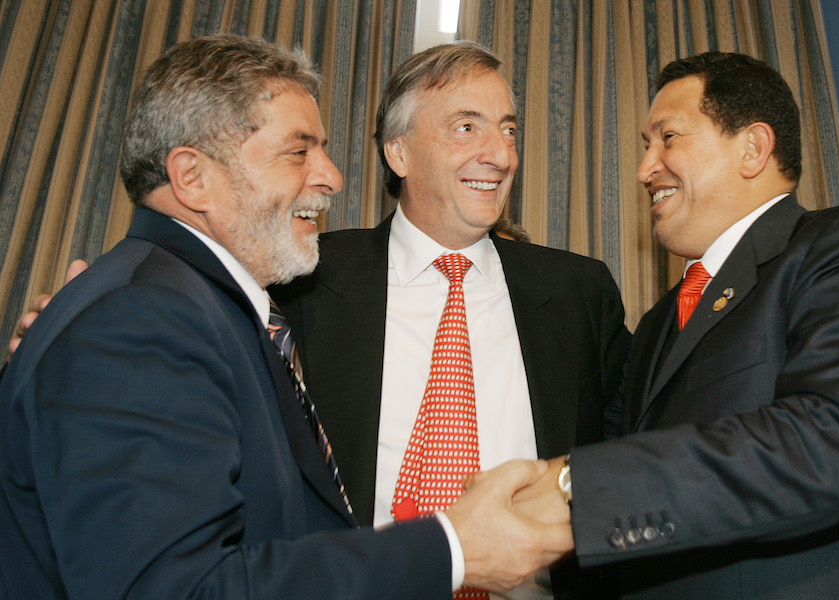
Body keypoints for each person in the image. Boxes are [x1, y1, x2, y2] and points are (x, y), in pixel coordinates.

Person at [0, 34, 575, 600]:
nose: (332, 176)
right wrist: (453, 548)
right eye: (299, 151)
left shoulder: (190, 306)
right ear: (192, 176)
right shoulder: (138, 321)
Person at [515, 51, 839, 599]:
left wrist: (574, 484)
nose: (646, 169)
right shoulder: (655, 325)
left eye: (667, 138)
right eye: (646, 146)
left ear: (753, 148)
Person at [268, 41, 630, 598]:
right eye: (467, 127)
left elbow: (631, 450)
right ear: (400, 153)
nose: (501, 155)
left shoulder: (578, 292)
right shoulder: (303, 281)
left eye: (508, 130)